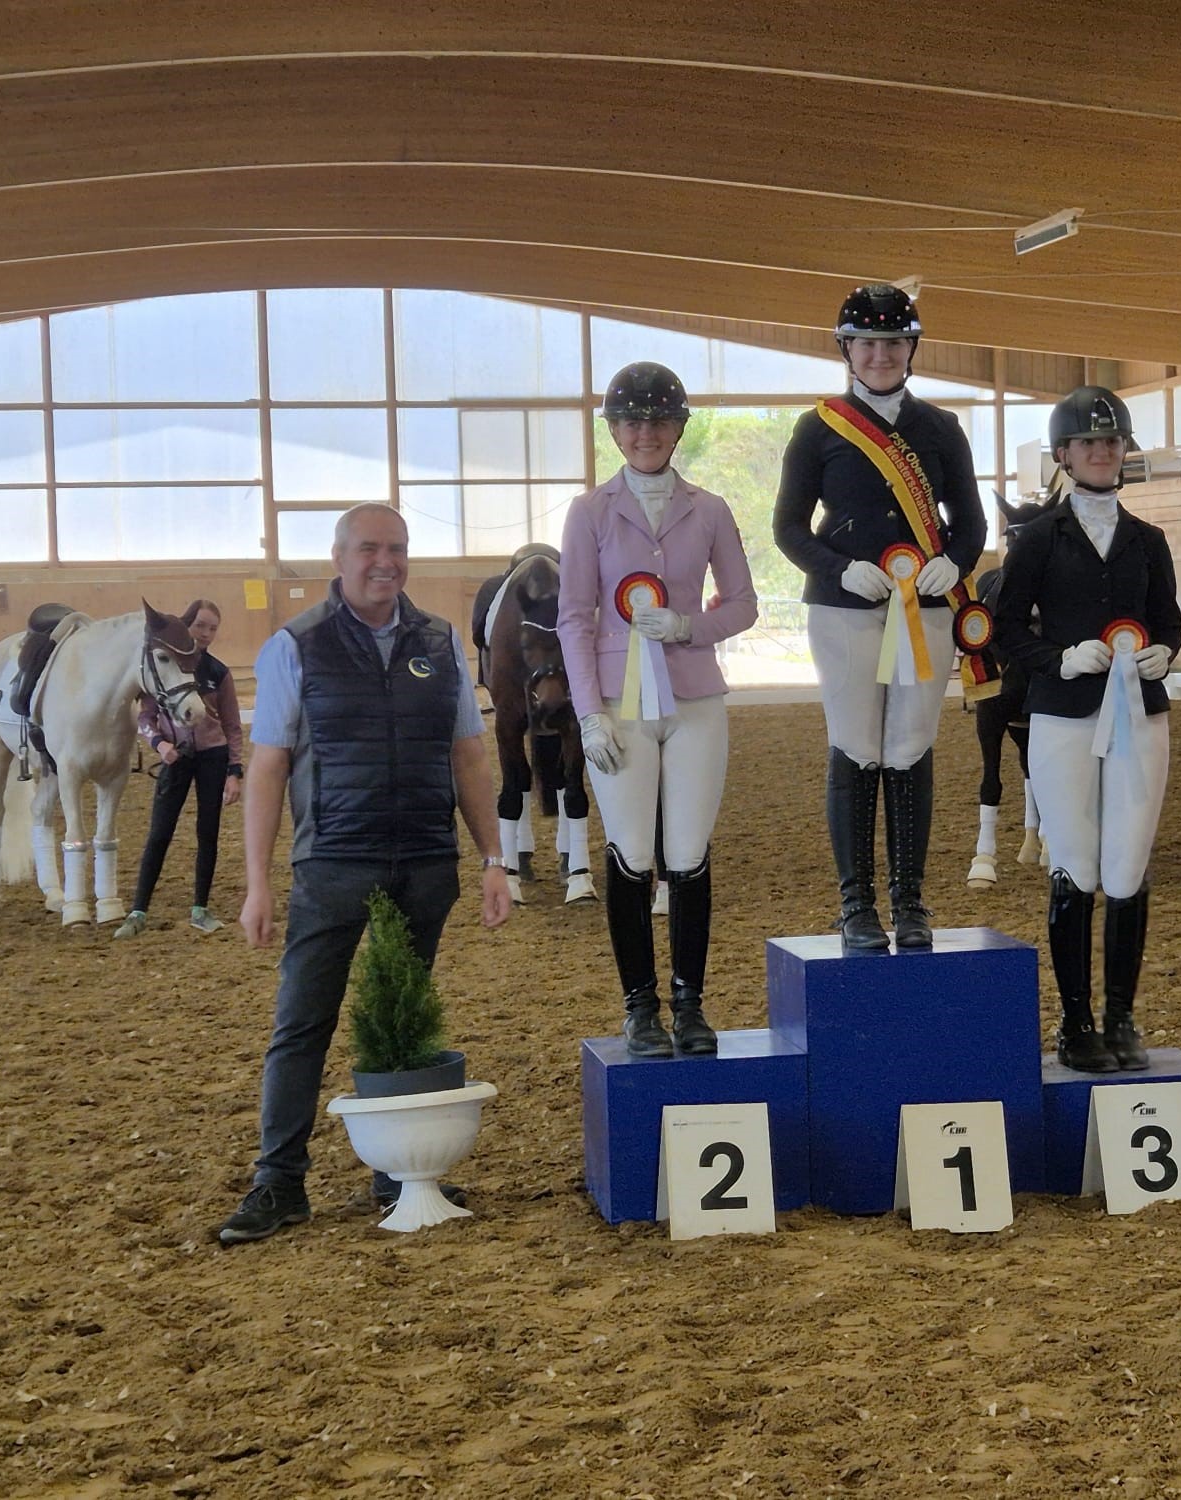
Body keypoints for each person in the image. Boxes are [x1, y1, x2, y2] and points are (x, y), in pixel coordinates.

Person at [219, 503, 513, 1244]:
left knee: (400, 1018)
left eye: (398, 549)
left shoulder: (440, 641)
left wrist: (492, 857)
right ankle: (279, 1181)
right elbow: (268, 766)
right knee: (302, 1023)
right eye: (371, 549)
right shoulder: (295, 646)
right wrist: (258, 882)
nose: (386, 562)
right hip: (333, 864)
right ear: (339, 558)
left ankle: (400, 1170)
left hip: (425, 861)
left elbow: (469, 756)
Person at [773, 284, 986, 950]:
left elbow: (971, 521)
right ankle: (856, 903)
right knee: (856, 745)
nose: (880, 355)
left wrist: (955, 561)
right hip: (845, 609)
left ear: (911, 349)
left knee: (911, 745)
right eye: (867, 343)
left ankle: (910, 900)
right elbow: (787, 528)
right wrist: (837, 568)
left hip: (926, 608)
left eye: (893, 343)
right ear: (847, 349)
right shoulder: (818, 429)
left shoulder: (941, 429)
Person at [558, 362, 758, 1056]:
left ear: (678, 429)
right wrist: (589, 713)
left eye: (660, 420)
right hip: (621, 704)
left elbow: (743, 604)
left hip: (695, 698)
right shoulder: (589, 512)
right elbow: (574, 618)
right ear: (614, 430)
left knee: (689, 851)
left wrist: (687, 626)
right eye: (632, 421)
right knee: (632, 851)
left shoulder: (711, 510)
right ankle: (640, 1008)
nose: (646, 432)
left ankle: (691, 1004)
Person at [995, 386, 1181, 1072]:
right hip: (1064, 715)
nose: (1102, 452)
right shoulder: (1038, 540)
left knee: (1128, 864)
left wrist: (1164, 652)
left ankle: (1122, 1018)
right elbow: (1006, 627)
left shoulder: (1149, 541)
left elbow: (1168, 622)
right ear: (1065, 455)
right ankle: (1076, 1024)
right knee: (1075, 862)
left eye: (1111, 441)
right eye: (1088, 443)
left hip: (1139, 714)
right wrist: (1059, 658)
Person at [114, 599, 244, 938]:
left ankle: (201, 908)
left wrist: (234, 771)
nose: (206, 633)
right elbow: (145, 718)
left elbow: (232, 726)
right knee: (159, 832)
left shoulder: (218, 673)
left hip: (213, 757)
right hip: (176, 757)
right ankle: (138, 910)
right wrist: (160, 744)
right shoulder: (163, 668)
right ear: (187, 627)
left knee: (208, 833)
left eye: (212, 628)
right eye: (200, 625)